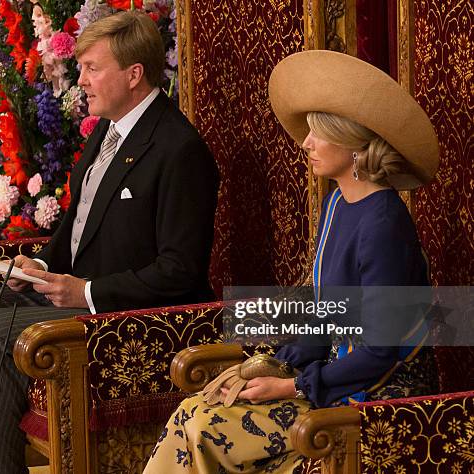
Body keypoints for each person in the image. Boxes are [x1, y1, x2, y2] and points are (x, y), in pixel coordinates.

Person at [0, 11, 219, 473]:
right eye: (82, 67)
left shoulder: (178, 150)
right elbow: (77, 224)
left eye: (92, 68)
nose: (81, 79)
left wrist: (84, 292)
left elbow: (181, 271)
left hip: (133, 315)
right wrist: (43, 266)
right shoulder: (107, 130)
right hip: (79, 294)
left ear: (133, 75)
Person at [144, 50, 440, 473]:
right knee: (194, 409)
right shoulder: (338, 201)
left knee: (204, 425)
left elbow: (380, 351)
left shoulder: (384, 224)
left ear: (354, 142)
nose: (305, 143)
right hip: (335, 376)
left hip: (380, 396)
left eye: (318, 133)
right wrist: (272, 363)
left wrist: (291, 384)